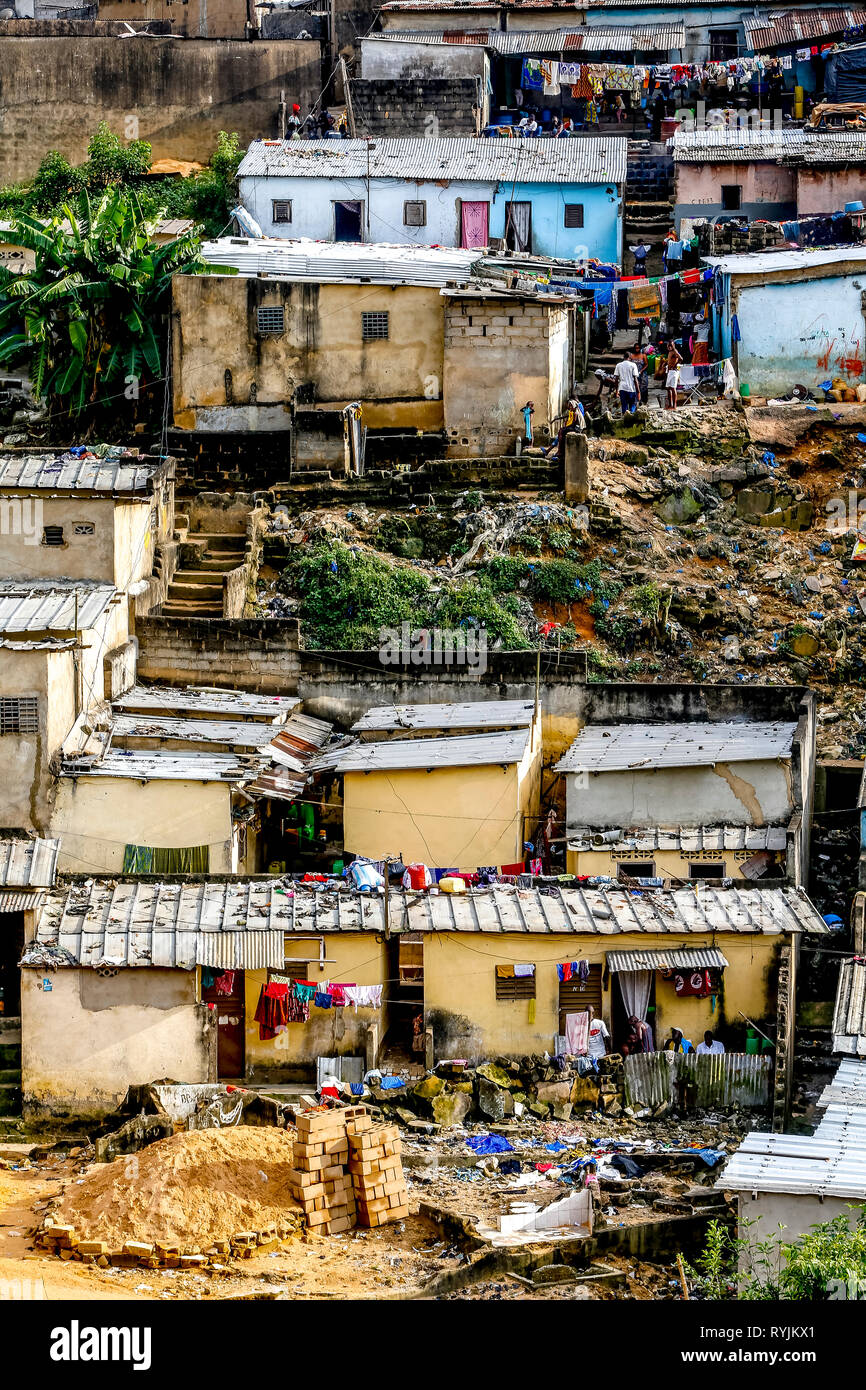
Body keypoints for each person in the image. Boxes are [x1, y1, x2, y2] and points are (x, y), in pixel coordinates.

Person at [613, 351, 640, 416]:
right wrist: (638, 392)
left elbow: (616, 380)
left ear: (624, 357)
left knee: (624, 408)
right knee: (632, 407)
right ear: (630, 357)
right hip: (631, 389)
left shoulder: (618, 365)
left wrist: (617, 391)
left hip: (622, 388)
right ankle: (631, 422)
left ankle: (624, 421)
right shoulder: (633, 365)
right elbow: (635, 380)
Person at [665, 339, 682, 409]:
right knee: (668, 388)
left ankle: (674, 405)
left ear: (673, 345)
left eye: (671, 346)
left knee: (673, 388)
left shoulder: (675, 351)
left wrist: (676, 365)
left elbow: (681, 358)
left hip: (674, 372)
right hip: (670, 372)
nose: (669, 347)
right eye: (668, 346)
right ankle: (670, 405)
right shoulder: (670, 352)